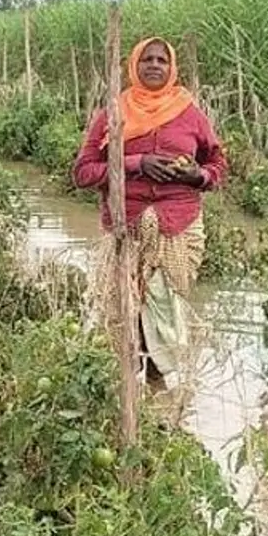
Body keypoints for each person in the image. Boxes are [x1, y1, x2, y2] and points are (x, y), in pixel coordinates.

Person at [72, 36, 228, 390]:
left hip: (178, 227)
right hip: (126, 228)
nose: (155, 65)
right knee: (125, 314)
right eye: (147, 60)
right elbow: (83, 173)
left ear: (172, 68)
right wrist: (134, 163)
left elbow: (218, 165)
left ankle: (160, 395)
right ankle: (127, 393)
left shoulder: (189, 113)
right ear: (134, 66)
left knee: (165, 313)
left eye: (161, 60)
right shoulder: (114, 112)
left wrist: (197, 175)